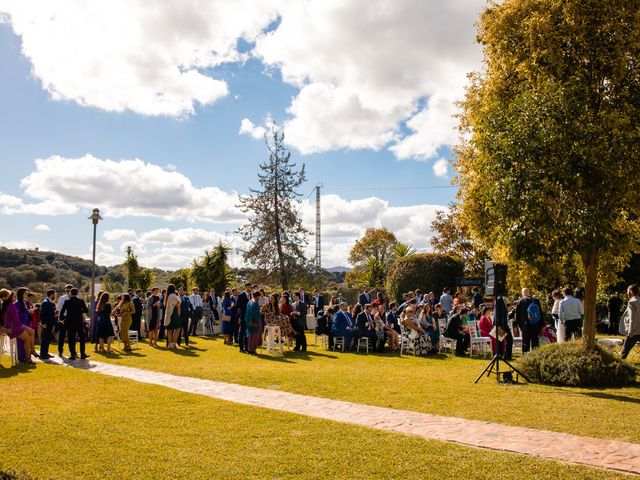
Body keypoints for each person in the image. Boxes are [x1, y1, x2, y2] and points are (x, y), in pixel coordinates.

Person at [1, 289, 36, 364]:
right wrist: (23, 326)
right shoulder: (11, 306)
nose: (15, 297)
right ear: (9, 297)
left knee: (29, 334)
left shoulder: (5, 305)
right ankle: (28, 358)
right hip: (13, 328)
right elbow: (16, 320)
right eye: (14, 296)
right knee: (28, 338)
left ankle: (29, 355)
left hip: (9, 327)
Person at [59, 288, 89, 360]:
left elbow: (62, 311)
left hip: (70, 322)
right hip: (78, 321)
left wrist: (62, 319)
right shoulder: (81, 301)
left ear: (70, 293)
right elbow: (86, 310)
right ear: (77, 293)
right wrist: (79, 312)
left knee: (71, 338)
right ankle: (82, 354)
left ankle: (72, 355)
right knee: (82, 338)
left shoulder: (67, 301)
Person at [515, 288, 543, 353]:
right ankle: (535, 357)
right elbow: (540, 314)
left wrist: (520, 326)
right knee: (535, 343)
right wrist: (541, 326)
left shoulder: (520, 301)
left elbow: (517, 316)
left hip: (525, 326)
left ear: (522, 293)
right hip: (535, 325)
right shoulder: (536, 300)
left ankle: (525, 358)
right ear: (529, 292)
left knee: (525, 344)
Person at [621, 284, 640, 359]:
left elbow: (632, 317)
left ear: (631, 291)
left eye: (627, 291)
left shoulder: (632, 302)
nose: (627, 293)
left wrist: (630, 330)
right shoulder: (639, 300)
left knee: (625, 349)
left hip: (634, 330)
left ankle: (619, 366)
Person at [56, 284, 73, 357]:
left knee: (71, 336)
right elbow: (59, 309)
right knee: (62, 335)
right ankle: (60, 351)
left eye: (70, 290)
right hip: (64, 317)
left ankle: (72, 352)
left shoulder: (75, 298)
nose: (68, 291)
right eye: (67, 290)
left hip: (71, 318)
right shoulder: (62, 298)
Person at [39, 289, 56, 359]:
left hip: (50, 323)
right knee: (45, 338)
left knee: (48, 338)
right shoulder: (45, 302)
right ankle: (43, 354)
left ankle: (46, 353)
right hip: (47, 324)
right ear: (52, 294)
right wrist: (43, 323)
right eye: (54, 294)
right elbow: (43, 314)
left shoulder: (49, 302)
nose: (55, 296)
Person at [235, 284, 252, 353]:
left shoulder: (251, 295)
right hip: (243, 316)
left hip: (250, 317)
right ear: (245, 287)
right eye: (248, 287)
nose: (249, 288)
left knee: (248, 333)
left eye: (250, 287)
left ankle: (247, 347)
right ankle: (241, 348)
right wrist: (239, 317)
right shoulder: (241, 295)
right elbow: (238, 307)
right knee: (242, 333)